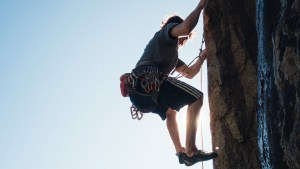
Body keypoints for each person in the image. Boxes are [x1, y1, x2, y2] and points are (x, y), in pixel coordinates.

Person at [120, 0, 217, 166]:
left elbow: (190, 73)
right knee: (197, 98)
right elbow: (186, 27)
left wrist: (202, 57)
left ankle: (180, 151)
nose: (182, 38)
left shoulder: (173, 57)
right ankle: (191, 151)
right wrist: (200, 7)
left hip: (142, 98)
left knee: (171, 112)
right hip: (146, 80)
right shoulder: (165, 33)